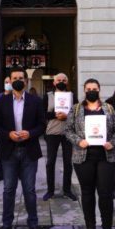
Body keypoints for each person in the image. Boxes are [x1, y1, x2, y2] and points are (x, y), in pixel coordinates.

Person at [0, 66, 46, 229]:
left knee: (29, 190)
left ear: (26, 80)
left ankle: (33, 225)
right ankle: (7, 226)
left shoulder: (35, 101)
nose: (18, 80)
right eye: (15, 77)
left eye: (21, 77)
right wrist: (8, 134)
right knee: (8, 190)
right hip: (9, 151)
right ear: (10, 79)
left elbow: (42, 125)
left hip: (29, 151)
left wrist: (30, 133)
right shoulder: (2, 101)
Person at [66, 79, 115, 229]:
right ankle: (90, 228)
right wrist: (78, 141)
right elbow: (68, 130)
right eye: (88, 89)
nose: (91, 91)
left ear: (99, 90)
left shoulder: (109, 108)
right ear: (84, 90)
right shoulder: (76, 109)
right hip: (83, 156)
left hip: (106, 155)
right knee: (87, 192)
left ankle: (107, 228)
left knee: (105, 194)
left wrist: (112, 142)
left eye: (94, 88)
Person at [43, 73, 77, 201]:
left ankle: (67, 190)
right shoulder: (47, 96)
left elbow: (78, 113)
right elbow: (42, 113)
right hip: (52, 133)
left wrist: (67, 116)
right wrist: (55, 115)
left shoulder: (72, 96)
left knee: (68, 162)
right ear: (54, 82)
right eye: (59, 80)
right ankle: (50, 190)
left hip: (68, 133)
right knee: (50, 162)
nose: (61, 81)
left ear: (67, 82)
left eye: (64, 80)